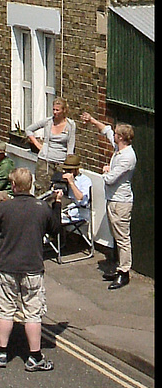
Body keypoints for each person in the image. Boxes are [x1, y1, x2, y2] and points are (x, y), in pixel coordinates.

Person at [0, 168, 63, 372]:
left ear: (14, 186)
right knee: (32, 314)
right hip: (32, 268)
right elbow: (57, 229)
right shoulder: (42, 208)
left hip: (6, 267)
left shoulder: (5, 208)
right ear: (31, 185)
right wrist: (57, 204)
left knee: (6, 312)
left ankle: (1, 353)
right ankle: (35, 357)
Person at [81, 112, 136, 289]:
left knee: (122, 238)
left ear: (121, 138)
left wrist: (105, 170)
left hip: (121, 202)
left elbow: (111, 179)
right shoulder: (119, 149)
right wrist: (91, 120)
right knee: (116, 235)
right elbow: (106, 130)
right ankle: (118, 266)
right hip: (113, 199)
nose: (114, 136)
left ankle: (124, 272)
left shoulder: (127, 157)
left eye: (116, 134)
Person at [26, 97, 76, 196]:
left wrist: (69, 166)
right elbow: (29, 130)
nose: (55, 112)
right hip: (45, 161)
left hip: (61, 162)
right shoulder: (48, 122)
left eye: (57, 110)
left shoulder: (70, 125)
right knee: (41, 189)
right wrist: (38, 144)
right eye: (53, 109)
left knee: (59, 191)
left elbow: (71, 146)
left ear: (64, 111)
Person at [60, 154, 92, 223]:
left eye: (69, 170)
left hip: (80, 213)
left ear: (76, 169)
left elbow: (81, 199)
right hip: (66, 209)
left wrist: (71, 183)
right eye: (65, 170)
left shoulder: (85, 180)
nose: (67, 172)